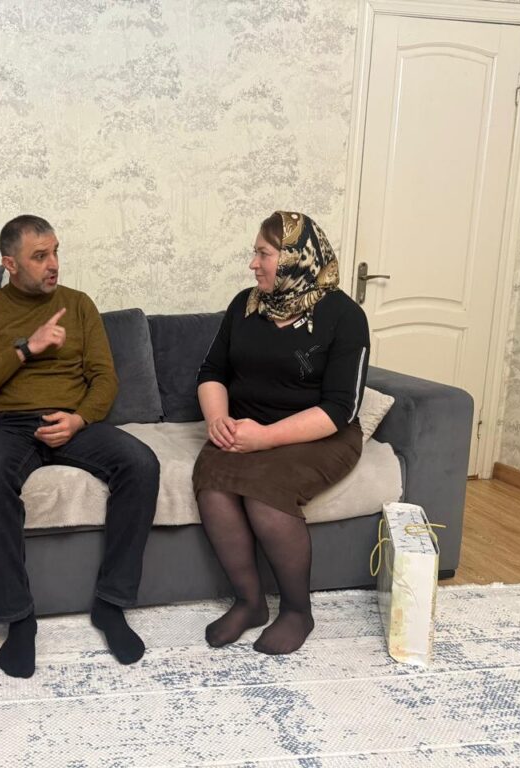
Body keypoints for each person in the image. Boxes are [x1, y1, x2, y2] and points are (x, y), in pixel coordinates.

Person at [0, 214, 160, 678]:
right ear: (10, 263)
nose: (53, 264)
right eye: (39, 256)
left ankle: (110, 604)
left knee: (141, 463)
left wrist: (79, 418)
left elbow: (105, 378)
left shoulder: (79, 305)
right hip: (7, 425)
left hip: (72, 419)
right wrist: (26, 348)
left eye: (55, 252)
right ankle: (19, 618)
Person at [193, 211, 369, 655]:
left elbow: (341, 408)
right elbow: (212, 371)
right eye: (255, 253)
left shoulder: (344, 316)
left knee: (265, 495)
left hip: (319, 434)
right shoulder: (245, 305)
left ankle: (296, 611)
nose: (254, 264)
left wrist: (265, 438)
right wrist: (218, 419)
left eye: (264, 254)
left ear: (295, 258)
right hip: (245, 425)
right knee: (213, 485)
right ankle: (249, 603)